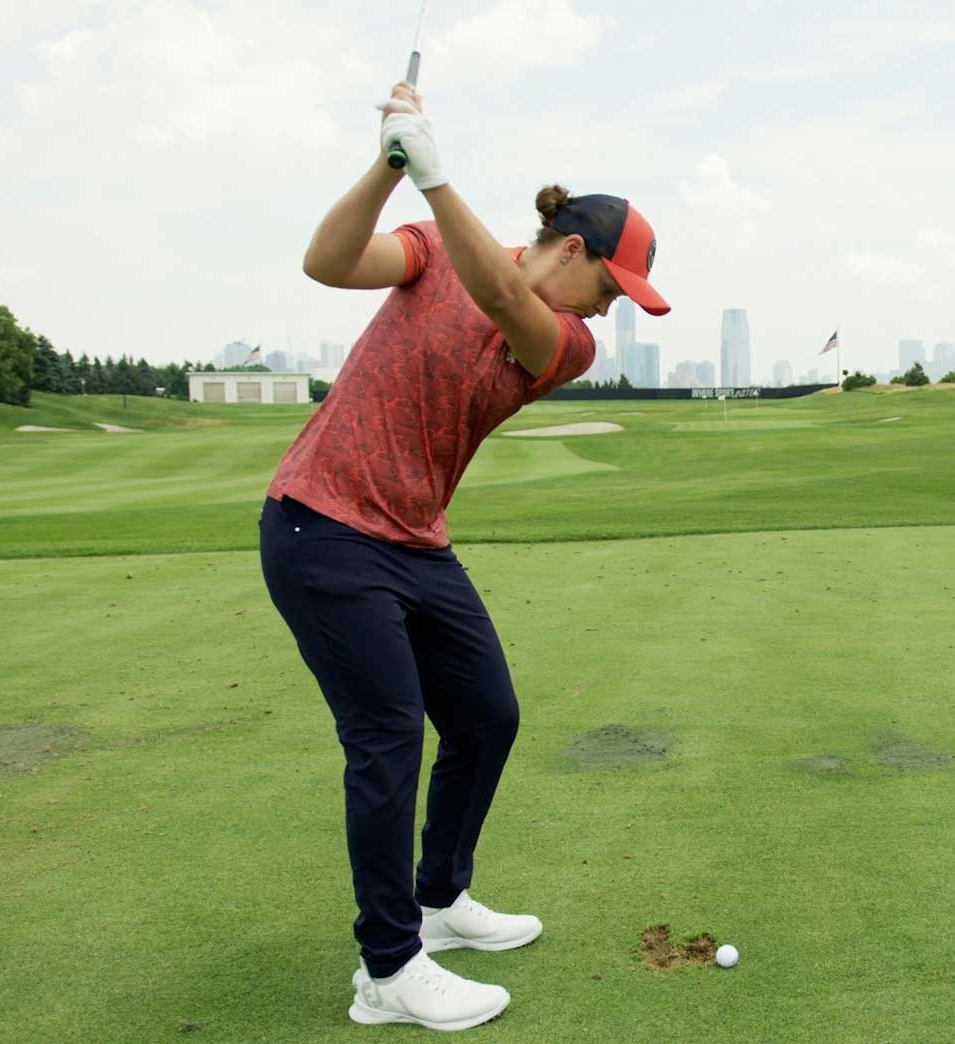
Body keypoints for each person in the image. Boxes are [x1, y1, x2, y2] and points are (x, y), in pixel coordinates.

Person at [259, 81, 669, 1031]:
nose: (609, 313)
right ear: (574, 249)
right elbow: (326, 262)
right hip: (319, 527)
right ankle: (388, 970)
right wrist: (391, 164)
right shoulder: (429, 249)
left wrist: (436, 174)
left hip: (413, 541)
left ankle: (440, 904)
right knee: (390, 734)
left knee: (487, 716)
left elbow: (498, 294)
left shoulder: (565, 344)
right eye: (610, 288)